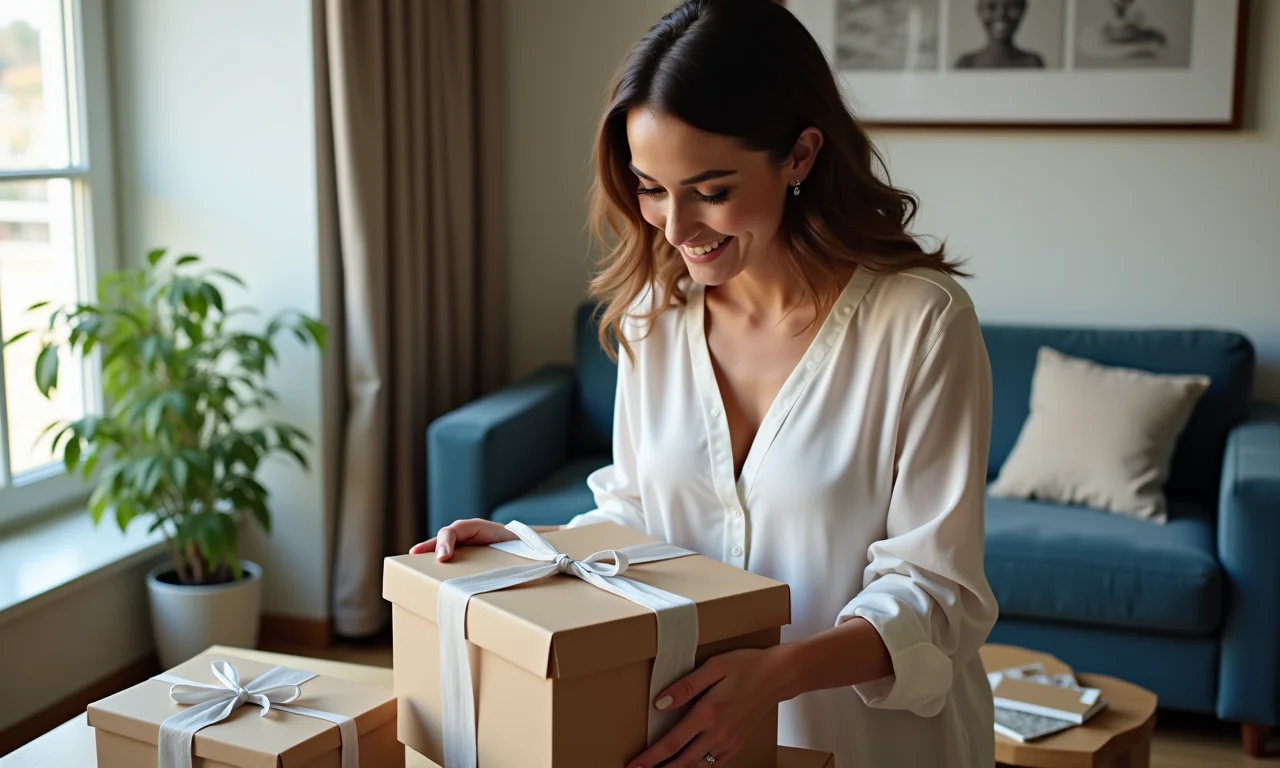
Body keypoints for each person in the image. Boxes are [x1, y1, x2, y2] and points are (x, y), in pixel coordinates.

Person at [410, 0, 999, 766]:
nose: (675, 225)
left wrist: (772, 679)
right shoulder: (655, 317)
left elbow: (936, 593)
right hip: (691, 740)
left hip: (873, 745)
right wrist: (529, 550)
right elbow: (636, 519)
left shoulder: (922, 324)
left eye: (711, 190)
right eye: (650, 187)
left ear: (800, 155)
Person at [954, 0, 1046, 69]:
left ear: (1023, 10)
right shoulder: (967, 64)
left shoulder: (1032, 63)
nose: (1001, 14)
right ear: (980, 10)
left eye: (1012, 7)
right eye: (991, 7)